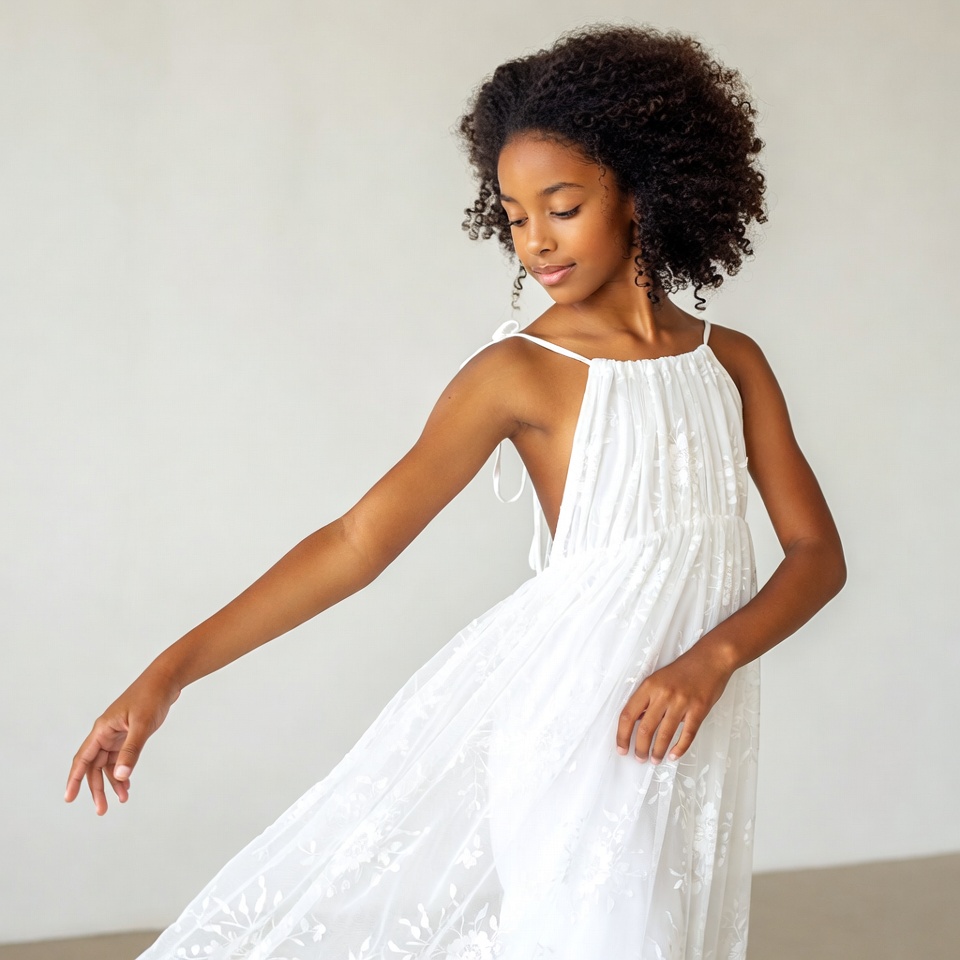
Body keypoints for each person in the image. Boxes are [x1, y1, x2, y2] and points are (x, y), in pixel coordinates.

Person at [66, 22, 846, 959]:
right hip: (578, 731)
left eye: (562, 207)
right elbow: (357, 542)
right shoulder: (519, 372)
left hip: (687, 725)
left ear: (642, 191)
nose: (536, 242)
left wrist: (713, 658)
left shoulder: (732, 362)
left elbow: (817, 556)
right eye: (514, 217)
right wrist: (167, 675)